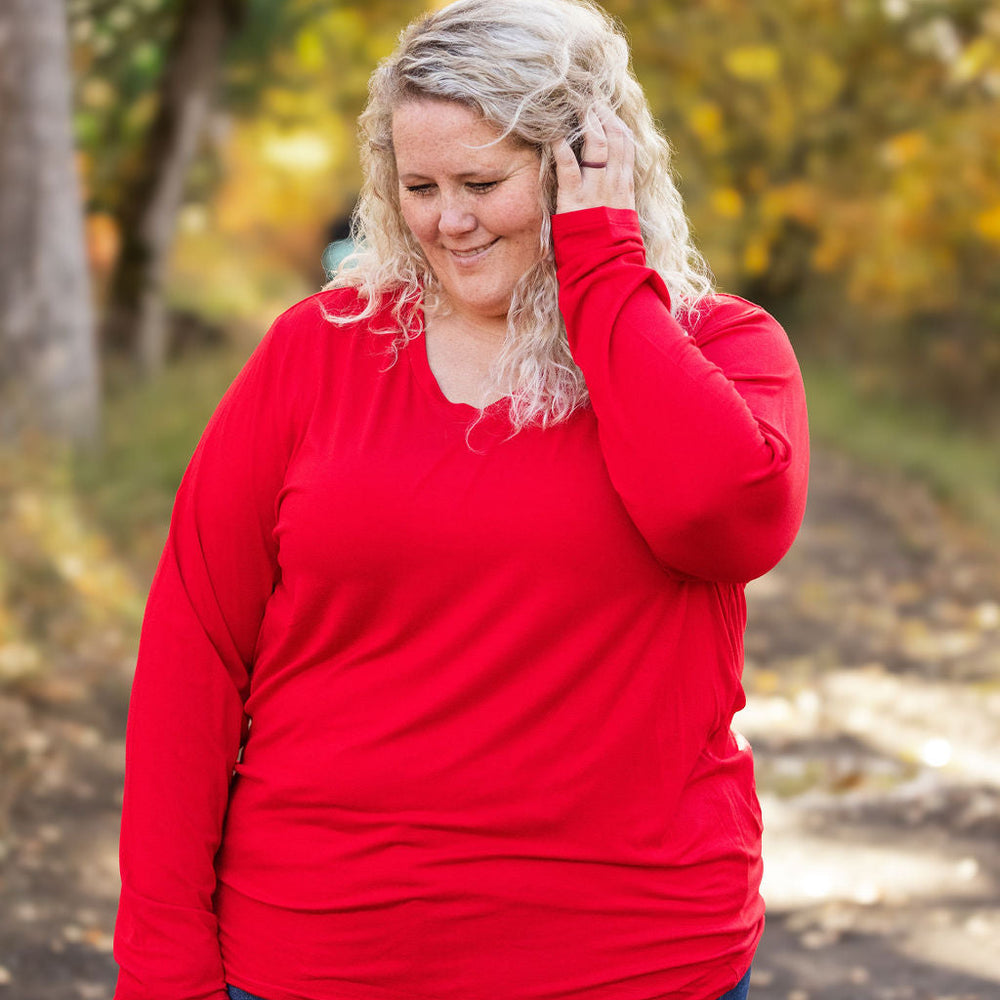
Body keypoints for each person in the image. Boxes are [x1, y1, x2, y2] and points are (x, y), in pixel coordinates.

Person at [112, 0, 809, 998]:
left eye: (483, 181)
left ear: (587, 161)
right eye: (420, 187)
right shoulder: (317, 350)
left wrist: (603, 268)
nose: (447, 220)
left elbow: (724, 518)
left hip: (634, 958)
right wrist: (161, 964)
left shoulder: (723, 350)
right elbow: (194, 657)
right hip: (318, 954)